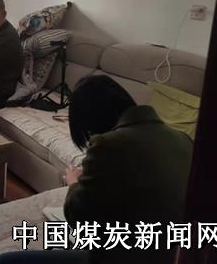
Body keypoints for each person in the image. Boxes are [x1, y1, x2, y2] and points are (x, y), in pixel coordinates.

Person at [63, 75, 194, 264]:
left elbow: (79, 218)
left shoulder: (107, 144)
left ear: (93, 121)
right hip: (171, 255)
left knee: (15, 259)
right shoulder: (184, 139)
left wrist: (73, 182)